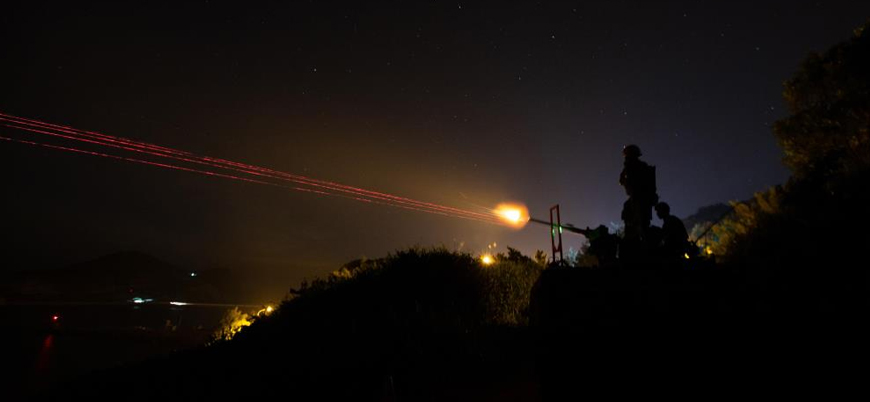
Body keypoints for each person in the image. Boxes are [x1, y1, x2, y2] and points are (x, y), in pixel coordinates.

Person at [619, 145, 658, 257]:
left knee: (642, 225)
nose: (626, 159)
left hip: (640, 199)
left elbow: (623, 181)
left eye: (627, 156)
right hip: (638, 199)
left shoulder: (636, 167)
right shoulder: (633, 167)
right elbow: (622, 180)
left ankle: (645, 250)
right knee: (633, 220)